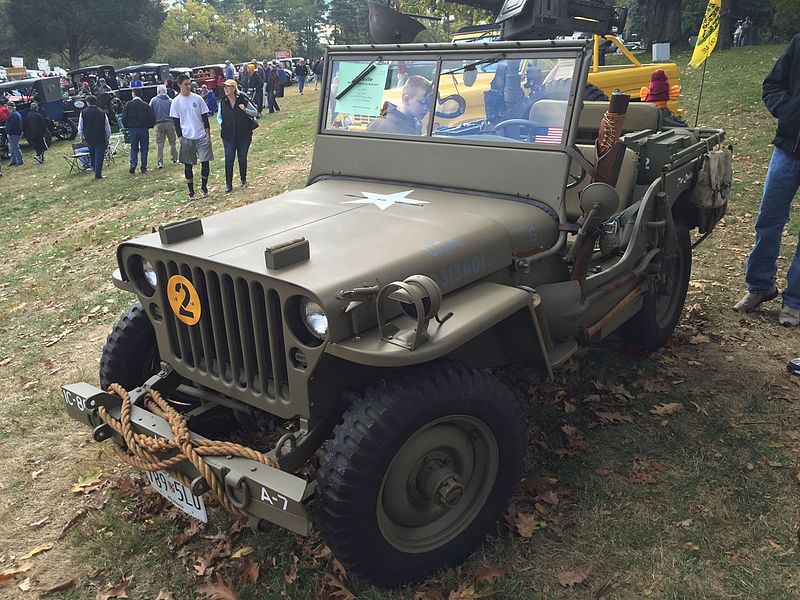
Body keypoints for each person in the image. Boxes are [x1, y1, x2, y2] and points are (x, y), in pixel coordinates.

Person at [735, 34, 800, 326]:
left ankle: (795, 300)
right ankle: (760, 286)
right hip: (788, 148)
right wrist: (790, 111)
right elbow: (772, 84)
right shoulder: (798, 43)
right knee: (768, 219)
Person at [170, 73, 213, 200]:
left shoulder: (197, 99)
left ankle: (204, 187)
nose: (188, 86)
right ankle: (191, 191)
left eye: (189, 84)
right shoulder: (176, 102)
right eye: (185, 84)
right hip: (187, 136)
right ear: (179, 85)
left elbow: (205, 118)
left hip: (201, 135)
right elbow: (176, 122)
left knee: (205, 162)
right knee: (188, 165)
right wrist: (180, 137)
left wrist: (207, 135)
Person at [219, 79, 258, 193]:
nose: (226, 89)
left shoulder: (242, 100)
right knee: (229, 159)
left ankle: (243, 179)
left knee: (242, 158)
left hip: (243, 135)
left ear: (234, 88)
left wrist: (245, 109)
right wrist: (223, 124)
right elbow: (219, 116)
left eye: (228, 87)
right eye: (225, 87)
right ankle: (228, 184)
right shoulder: (223, 101)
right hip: (228, 136)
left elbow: (255, 112)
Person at [366, 75, 431, 135]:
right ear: (406, 100)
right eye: (421, 102)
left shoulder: (416, 124)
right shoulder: (380, 126)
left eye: (428, 102)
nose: (426, 108)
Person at [122, 88, 156, 173]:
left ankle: (133, 163)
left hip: (133, 128)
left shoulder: (128, 105)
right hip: (143, 128)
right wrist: (149, 126)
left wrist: (127, 126)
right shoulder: (145, 105)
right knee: (144, 148)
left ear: (133, 94)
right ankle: (143, 166)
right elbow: (152, 117)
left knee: (134, 147)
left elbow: (124, 117)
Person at [77, 95, 110, 180]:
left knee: (92, 154)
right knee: (99, 155)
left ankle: (95, 170)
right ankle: (98, 173)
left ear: (87, 102)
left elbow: (81, 126)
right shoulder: (101, 112)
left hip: (89, 136)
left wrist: (81, 136)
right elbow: (106, 125)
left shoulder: (83, 112)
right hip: (100, 136)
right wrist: (107, 136)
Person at [150, 84, 178, 168]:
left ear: (158, 91)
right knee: (172, 142)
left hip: (159, 124)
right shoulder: (170, 101)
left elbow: (150, 111)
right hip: (170, 123)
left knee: (160, 144)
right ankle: (174, 159)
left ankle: (160, 162)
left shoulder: (154, 100)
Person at [5, 102, 23, 166]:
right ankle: (13, 160)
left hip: (13, 134)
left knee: (15, 147)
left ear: (9, 107)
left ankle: (19, 160)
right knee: (12, 148)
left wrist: (8, 131)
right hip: (15, 133)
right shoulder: (16, 114)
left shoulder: (13, 115)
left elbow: (12, 126)